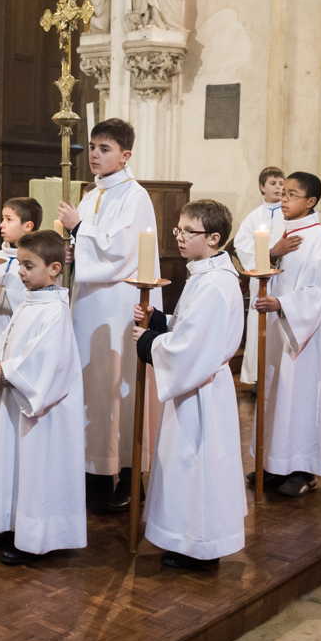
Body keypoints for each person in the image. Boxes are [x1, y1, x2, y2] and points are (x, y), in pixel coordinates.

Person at [133, 199, 245, 569]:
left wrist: (148, 343)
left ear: (214, 238)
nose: (179, 237)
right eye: (177, 229)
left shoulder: (215, 284)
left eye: (188, 231)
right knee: (188, 466)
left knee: (197, 467)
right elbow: (191, 327)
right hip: (197, 385)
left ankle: (199, 546)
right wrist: (159, 321)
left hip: (202, 390)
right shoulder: (206, 275)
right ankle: (188, 540)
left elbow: (194, 347)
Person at [58, 118, 160, 512]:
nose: (95, 156)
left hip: (114, 307)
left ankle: (117, 474)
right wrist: (72, 249)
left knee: (111, 389)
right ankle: (89, 468)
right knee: (89, 387)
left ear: (126, 154)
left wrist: (80, 229)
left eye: (105, 149)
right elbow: (88, 248)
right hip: (87, 304)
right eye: (93, 148)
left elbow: (118, 251)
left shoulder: (134, 197)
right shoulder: (91, 194)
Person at [0, 231, 87, 566]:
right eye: (20, 265)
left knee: (36, 468)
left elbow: (47, 361)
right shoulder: (31, 302)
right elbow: (10, 339)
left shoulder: (55, 311)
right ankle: (6, 523)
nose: (21, 272)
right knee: (11, 464)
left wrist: (8, 371)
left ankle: (34, 538)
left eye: (29, 266)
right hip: (16, 398)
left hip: (41, 409)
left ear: (54, 269)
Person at [253, 172, 321, 497]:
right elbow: (260, 270)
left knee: (299, 400)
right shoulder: (280, 231)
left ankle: (302, 469)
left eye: (292, 194)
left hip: (304, 337)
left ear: (311, 201)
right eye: (283, 193)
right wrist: (272, 252)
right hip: (278, 329)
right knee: (276, 397)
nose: (284, 199)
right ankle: (274, 464)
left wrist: (282, 303)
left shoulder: (318, 239)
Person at [232, 166, 286, 387]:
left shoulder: (289, 214)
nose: (278, 188)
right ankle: (258, 377)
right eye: (273, 183)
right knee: (258, 326)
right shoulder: (254, 217)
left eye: (282, 184)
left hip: (283, 279)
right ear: (262, 187)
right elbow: (241, 244)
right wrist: (265, 257)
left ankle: (279, 376)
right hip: (261, 279)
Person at [0, 197, 41, 343]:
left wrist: (1, 295)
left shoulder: (37, 262)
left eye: (8, 219)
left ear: (28, 226)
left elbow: (36, 301)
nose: (2, 225)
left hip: (17, 337)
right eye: (2, 219)